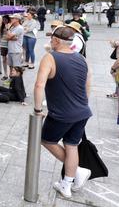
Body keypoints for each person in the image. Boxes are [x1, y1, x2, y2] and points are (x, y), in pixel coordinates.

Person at [34, 26, 93, 198]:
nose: (50, 42)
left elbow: (39, 85)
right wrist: (82, 104)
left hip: (62, 113)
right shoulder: (82, 59)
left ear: (57, 40)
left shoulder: (50, 58)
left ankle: (79, 170)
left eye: (51, 39)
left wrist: (38, 109)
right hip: (82, 111)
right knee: (71, 145)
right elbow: (88, 83)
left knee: (47, 140)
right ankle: (67, 183)